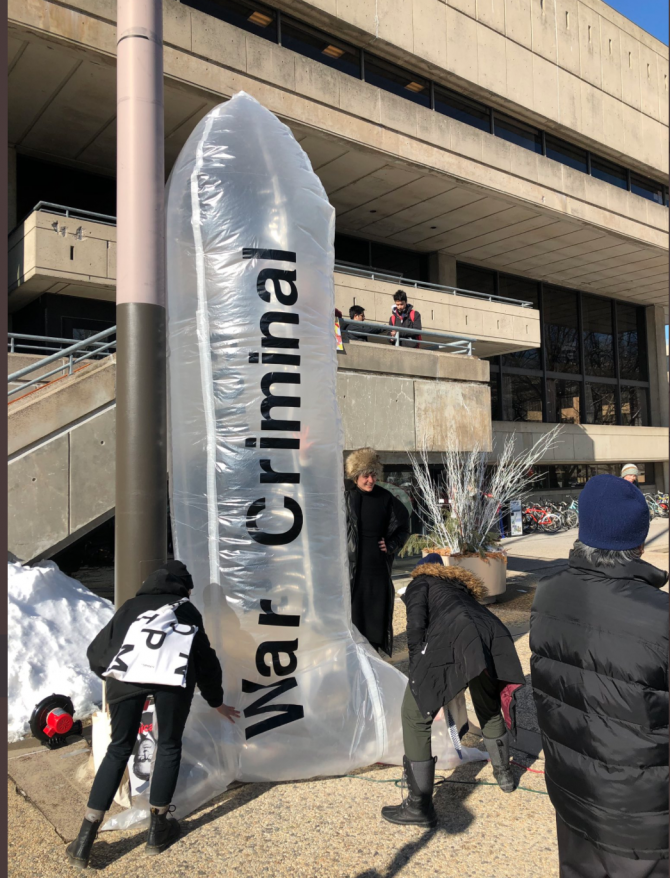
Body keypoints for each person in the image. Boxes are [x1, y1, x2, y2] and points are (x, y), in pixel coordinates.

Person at [530, 474, 668, 877]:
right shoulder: (659, 616)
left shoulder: (548, 591)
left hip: (572, 793)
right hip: (640, 817)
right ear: (639, 540)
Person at [66, 561, 240, 869]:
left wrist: (114, 684)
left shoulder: (131, 607)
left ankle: (84, 839)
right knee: (169, 745)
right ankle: (158, 831)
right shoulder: (185, 609)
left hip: (125, 680)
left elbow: (97, 652)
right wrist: (216, 701)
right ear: (182, 587)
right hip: (172, 681)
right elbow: (206, 659)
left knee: (118, 750)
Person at [381, 553, 525, 828]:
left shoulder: (420, 582)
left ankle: (418, 806)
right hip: (491, 635)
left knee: (415, 715)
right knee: (488, 703)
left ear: (421, 570)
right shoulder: (459, 588)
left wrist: (419, 677)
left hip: (455, 635)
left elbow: (415, 628)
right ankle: (504, 774)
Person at [345, 447, 410, 656]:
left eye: (373, 475)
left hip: (378, 570)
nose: (371, 480)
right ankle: (356, 657)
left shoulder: (385, 497)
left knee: (376, 615)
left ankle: (373, 655)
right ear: (355, 476)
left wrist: (391, 545)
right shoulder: (345, 496)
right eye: (366, 475)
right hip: (352, 570)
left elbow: (404, 526)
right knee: (355, 615)